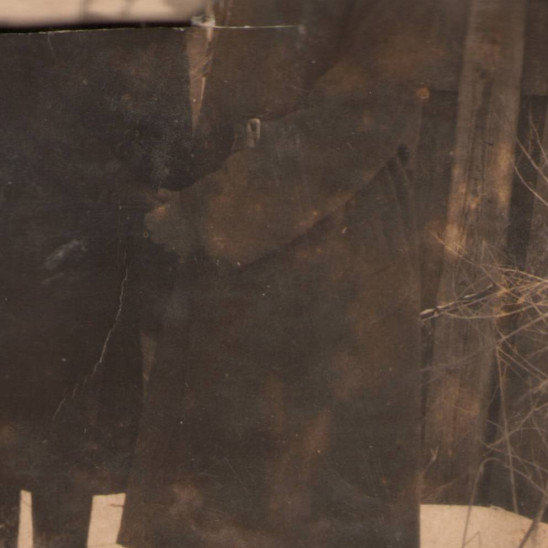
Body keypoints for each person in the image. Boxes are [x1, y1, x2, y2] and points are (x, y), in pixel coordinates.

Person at [119, 1, 440, 546]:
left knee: (308, 504)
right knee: (212, 505)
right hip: (232, 241)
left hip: (330, 248)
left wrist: (210, 210)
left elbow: (363, 113)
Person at [0, 29, 191, 548]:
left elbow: (165, 142)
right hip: (60, 252)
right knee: (52, 450)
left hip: (85, 267)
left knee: (62, 451)